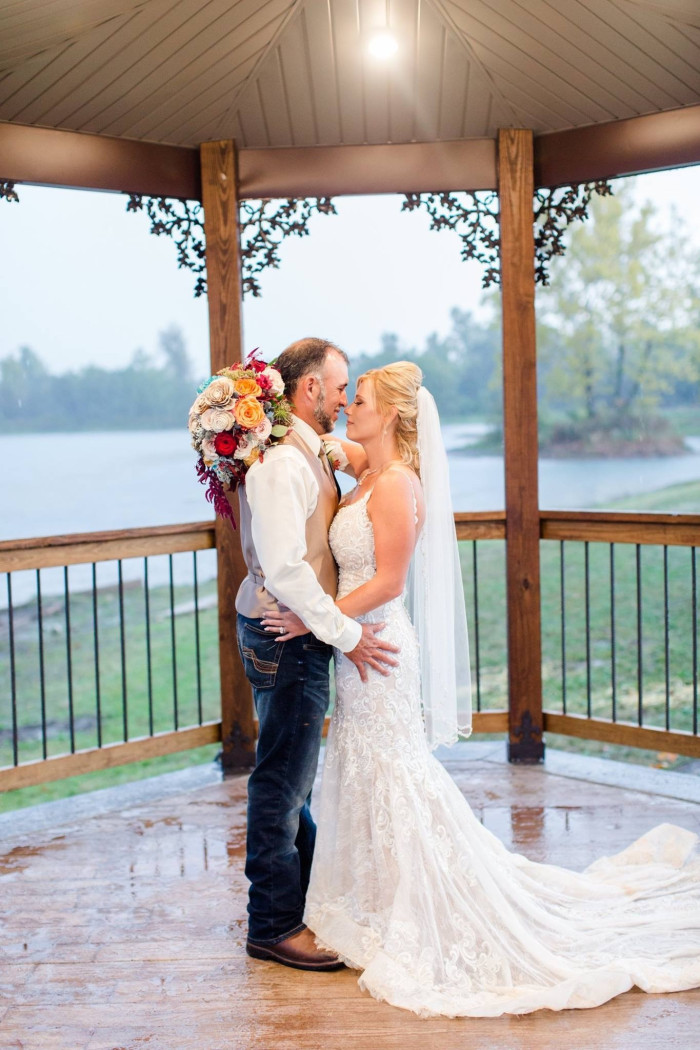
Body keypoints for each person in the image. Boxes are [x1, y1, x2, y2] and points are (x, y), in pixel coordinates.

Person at [261, 360, 700, 1018]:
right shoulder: (365, 471)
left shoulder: (396, 485)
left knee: (393, 769)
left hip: (377, 648)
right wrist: (305, 441)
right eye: (349, 396)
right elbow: (342, 450)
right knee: (363, 769)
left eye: (363, 400)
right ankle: (371, 901)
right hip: (356, 646)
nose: (350, 406)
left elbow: (388, 583)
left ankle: (414, 906)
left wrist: (317, 619)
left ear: (396, 416)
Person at [238, 337, 399, 973]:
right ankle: (272, 925)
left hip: (297, 635)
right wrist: (349, 634)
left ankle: (301, 900)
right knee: (279, 782)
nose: (341, 398)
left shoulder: (309, 452)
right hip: (289, 640)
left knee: (291, 778)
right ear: (309, 390)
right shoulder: (283, 462)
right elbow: (284, 567)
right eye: (338, 388)